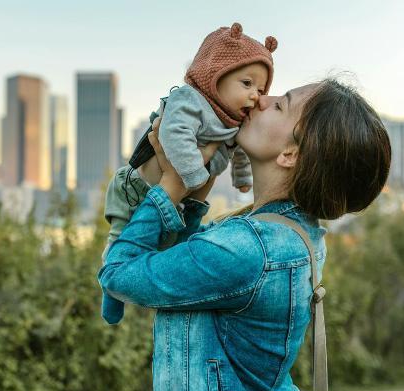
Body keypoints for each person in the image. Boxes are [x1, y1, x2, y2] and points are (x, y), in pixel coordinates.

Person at [98, 78, 391, 391]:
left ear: (290, 153)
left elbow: (116, 275)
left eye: (280, 106)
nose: (263, 100)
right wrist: (196, 195)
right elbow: (189, 269)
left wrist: (169, 188)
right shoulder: (295, 235)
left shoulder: (250, 248)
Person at [101, 22, 278, 324]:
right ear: (215, 75)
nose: (254, 96)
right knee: (119, 240)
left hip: (179, 199)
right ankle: (111, 295)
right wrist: (195, 176)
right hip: (139, 189)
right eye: (246, 84)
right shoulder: (189, 100)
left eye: (260, 90)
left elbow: (239, 155)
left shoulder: (233, 123)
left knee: (171, 250)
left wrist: (242, 178)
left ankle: (137, 287)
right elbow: (175, 135)